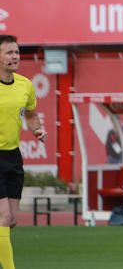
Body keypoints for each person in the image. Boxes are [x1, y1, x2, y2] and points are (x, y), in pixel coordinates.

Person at [0, 36, 45, 269]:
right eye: (8, 53)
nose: (15, 57)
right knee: (4, 218)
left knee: (12, 221)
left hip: (12, 156)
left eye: (16, 52)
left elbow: (30, 114)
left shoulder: (25, 85)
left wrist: (37, 129)